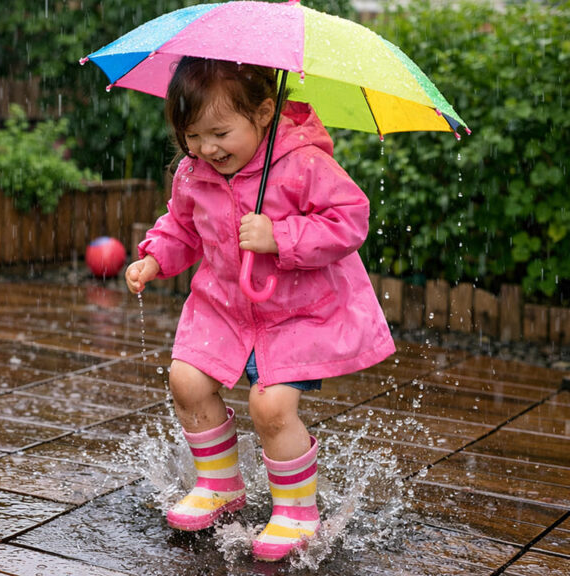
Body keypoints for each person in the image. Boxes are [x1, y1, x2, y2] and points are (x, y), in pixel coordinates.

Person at [125, 57, 395, 562]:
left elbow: (350, 220)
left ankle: (296, 513)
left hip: (298, 311)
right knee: (185, 378)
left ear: (265, 111)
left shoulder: (302, 164)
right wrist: (155, 257)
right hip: (224, 307)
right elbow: (181, 227)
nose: (206, 148)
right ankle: (220, 483)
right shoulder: (194, 172)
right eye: (191, 136)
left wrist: (282, 235)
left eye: (220, 132)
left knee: (270, 408)